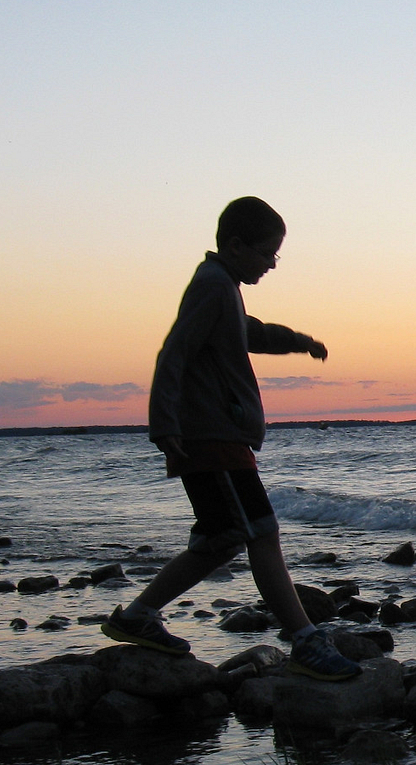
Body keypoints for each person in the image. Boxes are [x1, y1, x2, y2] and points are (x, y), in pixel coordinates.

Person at [100, 196, 362, 680]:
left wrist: (298, 340)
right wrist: (165, 425)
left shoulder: (222, 288)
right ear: (236, 245)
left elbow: (249, 333)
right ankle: (305, 640)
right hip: (211, 437)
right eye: (267, 254)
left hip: (218, 436)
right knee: (258, 533)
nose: (271, 264)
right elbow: (173, 353)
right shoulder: (213, 286)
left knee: (223, 539)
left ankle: (137, 616)